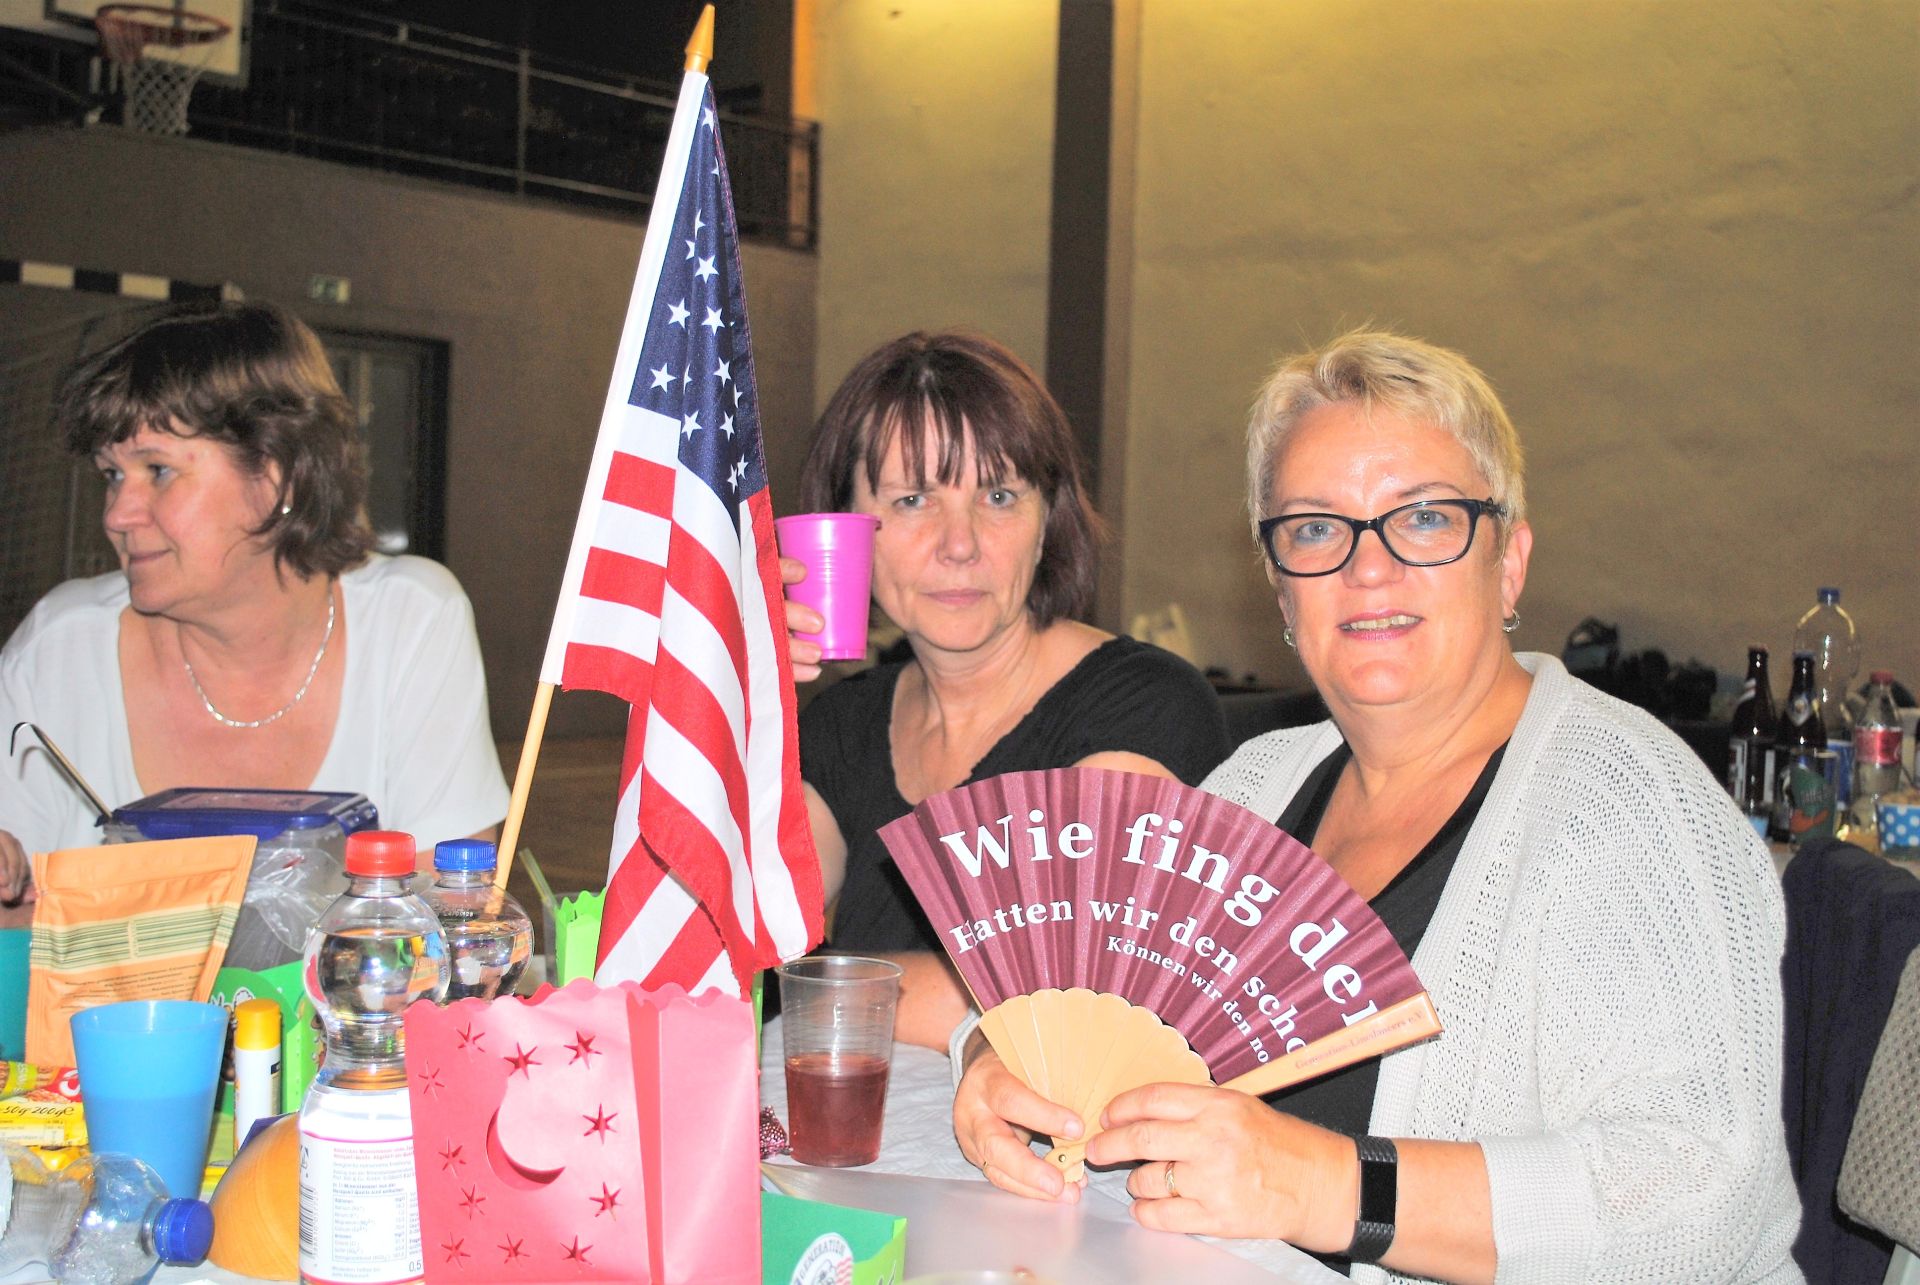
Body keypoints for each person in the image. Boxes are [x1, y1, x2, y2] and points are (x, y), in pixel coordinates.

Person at [950, 330, 1802, 1282]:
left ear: (1510, 562)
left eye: (1425, 517)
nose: (1367, 568)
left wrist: (1321, 1183)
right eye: (1316, 529)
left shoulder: (1629, 807)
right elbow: (1080, 998)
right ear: (1280, 588)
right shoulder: (1256, 786)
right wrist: (993, 1056)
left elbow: (1704, 1197)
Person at [786, 330, 1230, 1048]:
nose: (960, 544)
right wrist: (735, 694)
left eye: (998, 496)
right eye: (912, 499)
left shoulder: (1143, 706)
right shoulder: (843, 722)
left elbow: (1060, 989)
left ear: (1046, 521)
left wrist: (810, 986)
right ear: (842, 530)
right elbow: (729, 929)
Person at [0, 302, 509, 924]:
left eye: (158, 470)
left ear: (276, 475)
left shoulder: (411, 621)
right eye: (112, 475)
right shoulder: (60, 647)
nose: (117, 514)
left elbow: (450, 915)